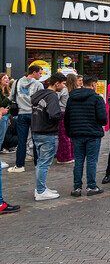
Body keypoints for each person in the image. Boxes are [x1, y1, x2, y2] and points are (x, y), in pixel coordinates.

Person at [65, 75, 107, 197]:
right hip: (92, 134)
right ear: (93, 84)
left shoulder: (72, 97)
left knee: (78, 160)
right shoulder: (96, 98)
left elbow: (67, 117)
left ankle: (77, 188)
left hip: (76, 134)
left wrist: (70, 132)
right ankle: (91, 186)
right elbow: (103, 119)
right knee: (92, 161)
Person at [30, 72, 66, 201]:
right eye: (63, 84)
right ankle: (40, 191)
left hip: (36, 131)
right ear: (57, 83)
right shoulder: (52, 96)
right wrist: (62, 115)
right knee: (44, 163)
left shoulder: (39, 94)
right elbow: (54, 114)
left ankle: (41, 187)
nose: (64, 86)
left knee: (40, 162)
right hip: (47, 132)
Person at [7, 65, 44, 173]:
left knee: (21, 141)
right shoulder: (38, 84)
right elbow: (42, 100)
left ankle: (19, 165)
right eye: (39, 73)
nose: (40, 75)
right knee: (36, 140)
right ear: (34, 72)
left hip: (22, 114)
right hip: (34, 114)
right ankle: (38, 165)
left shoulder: (17, 82)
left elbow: (11, 97)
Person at [55, 74, 77, 165]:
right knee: (70, 136)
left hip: (63, 112)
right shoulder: (76, 90)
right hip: (72, 113)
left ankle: (64, 156)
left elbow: (56, 99)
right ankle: (71, 155)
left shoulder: (64, 90)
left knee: (63, 136)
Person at [0, 74, 12, 169]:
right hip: (1, 117)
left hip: (6, 116)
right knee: (0, 139)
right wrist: (9, 98)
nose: (7, 79)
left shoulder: (7, 90)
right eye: (4, 78)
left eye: (8, 78)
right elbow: (1, 104)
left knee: (2, 138)